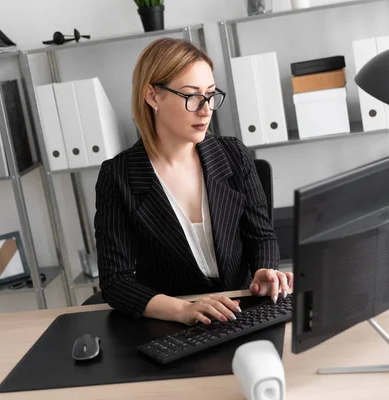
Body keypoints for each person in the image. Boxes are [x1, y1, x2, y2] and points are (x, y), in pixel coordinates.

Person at [94, 38, 292, 326]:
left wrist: (265, 270)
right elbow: (116, 281)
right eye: (192, 96)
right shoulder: (118, 176)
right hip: (171, 323)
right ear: (152, 96)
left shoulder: (234, 154)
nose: (206, 109)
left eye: (211, 95)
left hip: (242, 311)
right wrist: (183, 311)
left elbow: (261, 236)